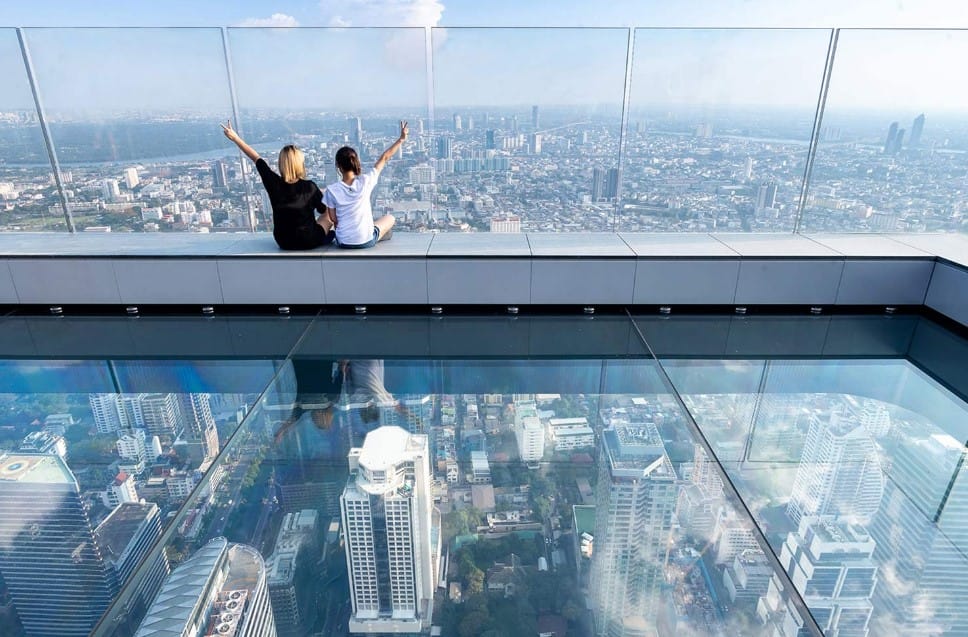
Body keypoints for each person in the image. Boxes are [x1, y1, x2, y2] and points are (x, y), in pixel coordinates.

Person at [221, 121, 334, 251]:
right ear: (300, 163)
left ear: (281, 163)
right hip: (308, 239)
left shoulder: (273, 183)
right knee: (328, 216)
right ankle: (324, 238)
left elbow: (256, 158)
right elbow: (324, 210)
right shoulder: (310, 187)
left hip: (284, 241)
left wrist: (235, 138)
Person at [323, 120, 408, 249]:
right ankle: (378, 233)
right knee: (390, 218)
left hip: (343, 242)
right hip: (365, 241)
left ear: (338, 166)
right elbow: (384, 158)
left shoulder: (331, 190)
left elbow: (334, 219)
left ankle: (376, 232)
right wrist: (401, 139)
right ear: (356, 163)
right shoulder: (366, 181)